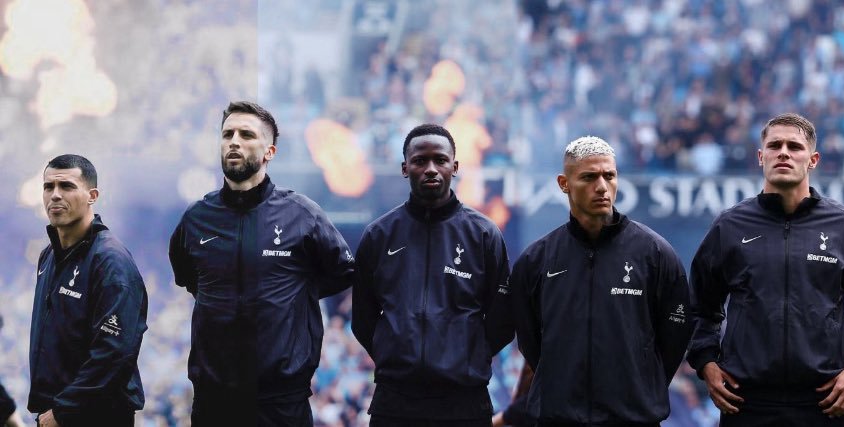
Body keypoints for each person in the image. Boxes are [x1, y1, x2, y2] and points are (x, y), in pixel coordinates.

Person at [687, 113, 844, 427]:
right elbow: (698, 307)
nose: (783, 152)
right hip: (746, 402)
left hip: (823, 403)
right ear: (761, 157)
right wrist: (706, 363)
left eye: (794, 146)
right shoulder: (730, 225)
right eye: (775, 145)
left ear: (813, 159)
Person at [169, 101, 356, 425]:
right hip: (214, 400)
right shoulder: (196, 219)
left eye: (246, 134)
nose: (234, 142)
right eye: (227, 134)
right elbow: (189, 278)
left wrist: (294, 294)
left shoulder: (302, 214)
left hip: (281, 402)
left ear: (269, 151)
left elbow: (342, 272)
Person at [507, 136, 693, 426]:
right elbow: (531, 344)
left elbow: (674, 339)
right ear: (563, 183)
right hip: (559, 418)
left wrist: (640, 387)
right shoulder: (536, 261)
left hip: (633, 419)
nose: (602, 186)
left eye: (609, 175)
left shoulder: (656, 254)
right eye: (589, 177)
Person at [352, 124, 512, 426]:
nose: (430, 169)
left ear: (455, 166)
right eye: (419, 161)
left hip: (464, 402)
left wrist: (466, 356)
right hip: (394, 403)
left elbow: (503, 320)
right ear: (404, 168)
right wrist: (395, 354)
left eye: (440, 160)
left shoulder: (483, 234)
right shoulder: (379, 235)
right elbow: (363, 318)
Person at [30, 154, 147, 427]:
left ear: (92, 195)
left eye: (67, 186)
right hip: (55, 412)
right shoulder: (48, 256)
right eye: (49, 187)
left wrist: (63, 411)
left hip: (95, 416)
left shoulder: (110, 261)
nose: (55, 195)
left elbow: (115, 353)